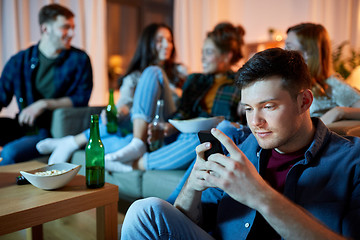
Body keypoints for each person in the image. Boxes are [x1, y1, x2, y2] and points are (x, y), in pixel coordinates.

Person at [120, 48, 360, 240]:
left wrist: (260, 196)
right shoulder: (239, 146)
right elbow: (187, 225)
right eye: (248, 109)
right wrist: (192, 187)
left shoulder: (352, 159)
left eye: (268, 106)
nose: (256, 122)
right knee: (145, 212)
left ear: (304, 101)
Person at [104, 22, 248, 172]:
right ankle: (137, 144)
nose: (202, 58)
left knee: (203, 139)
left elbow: (237, 127)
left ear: (226, 56)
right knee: (153, 71)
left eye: (209, 52)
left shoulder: (241, 84)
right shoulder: (195, 80)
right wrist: (171, 127)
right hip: (180, 135)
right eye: (202, 52)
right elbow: (183, 112)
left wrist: (247, 103)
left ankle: (134, 165)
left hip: (202, 140)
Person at [36, 23, 186, 165]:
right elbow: (125, 105)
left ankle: (73, 141)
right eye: (160, 40)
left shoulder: (180, 73)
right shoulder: (133, 77)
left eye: (169, 40)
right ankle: (131, 146)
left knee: (153, 72)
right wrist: (116, 113)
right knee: (109, 141)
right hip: (143, 132)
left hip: (167, 126)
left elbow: (188, 109)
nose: (167, 45)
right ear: (147, 44)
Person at [0, 4, 93, 165]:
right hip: (23, 126)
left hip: (52, 131)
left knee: (9, 153)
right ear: (45, 29)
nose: (72, 33)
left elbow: (81, 99)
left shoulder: (79, 60)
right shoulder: (19, 61)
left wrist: (43, 104)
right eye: (65, 27)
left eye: (73, 27)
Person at [285, 22, 360, 125]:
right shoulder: (289, 81)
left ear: (308, 52)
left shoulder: (333, 85)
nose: (284, 50)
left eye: (289, 46)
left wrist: (339, 112)